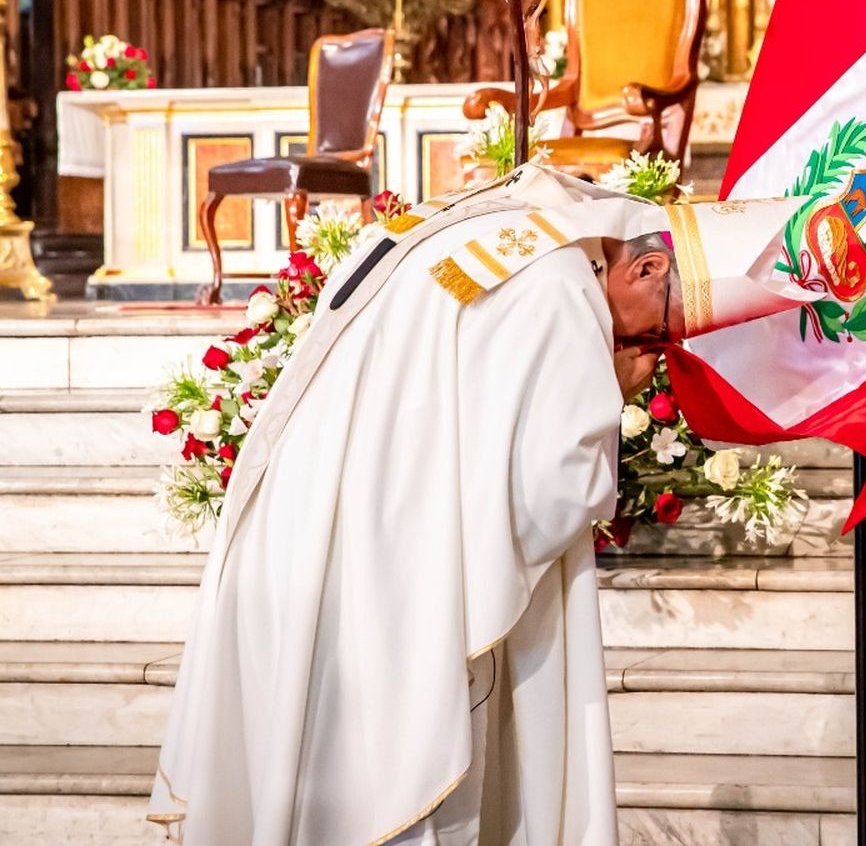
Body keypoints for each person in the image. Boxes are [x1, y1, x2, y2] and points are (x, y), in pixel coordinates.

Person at [149, 164, 811, 844]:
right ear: (644, 267)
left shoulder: (508, 224)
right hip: (390, 566)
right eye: (663, 328)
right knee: (393, 773)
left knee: (314, 754)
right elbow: (549, 496)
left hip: (315, 518)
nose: (650, 345)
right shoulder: (559, 290)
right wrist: (608, 390)